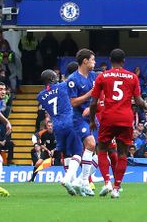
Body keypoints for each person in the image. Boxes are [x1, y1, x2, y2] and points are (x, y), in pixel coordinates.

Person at [87, 48, 147, 198]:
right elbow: (139, 101)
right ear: (124, 61)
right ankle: (116, 188)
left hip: (108, 118)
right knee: (122, 153)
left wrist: (91, 121)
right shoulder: (132, 77)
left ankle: (107, 182)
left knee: (102, 150)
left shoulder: (102, 77)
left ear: (110, 60)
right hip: (126, 119)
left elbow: (93, 103)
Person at [37, 69, 84, 196]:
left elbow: (50, 92)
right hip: (69, 121)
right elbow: (73, 82)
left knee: (67, 154)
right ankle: (67, 179)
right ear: (52, 79)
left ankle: (72, 182)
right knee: (78, 152)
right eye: (55, 76)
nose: (57, 77)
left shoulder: (40, 96)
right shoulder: (62, 86)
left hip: (56, 125)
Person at [67, 49, 99, 194]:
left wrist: (93, 106)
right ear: (85, 61)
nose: (95, 62)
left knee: (99, 150)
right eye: (93, 60)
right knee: (90, 144)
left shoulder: (94, 76)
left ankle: (81, 181)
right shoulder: (73, 79)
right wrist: (89, 95)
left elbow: (100, 95)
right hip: (78, 118)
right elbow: (73, 102)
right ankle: (85, 182)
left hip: (92, 116)